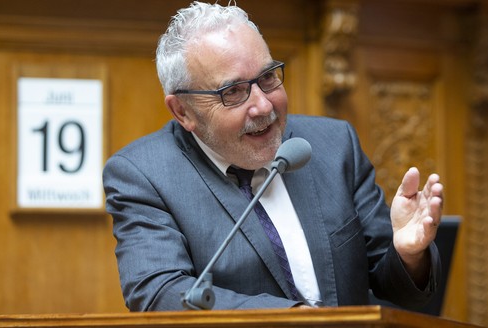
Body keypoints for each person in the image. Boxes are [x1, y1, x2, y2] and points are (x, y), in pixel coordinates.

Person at [103, 1, 444, 311]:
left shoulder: (334, 144)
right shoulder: (144, 175)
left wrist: (409, 255)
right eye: (233, 92)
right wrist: (294, 319)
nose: (263, 105)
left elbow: (396, 287)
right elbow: (161, 293)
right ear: (183, 111)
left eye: (267, 78)